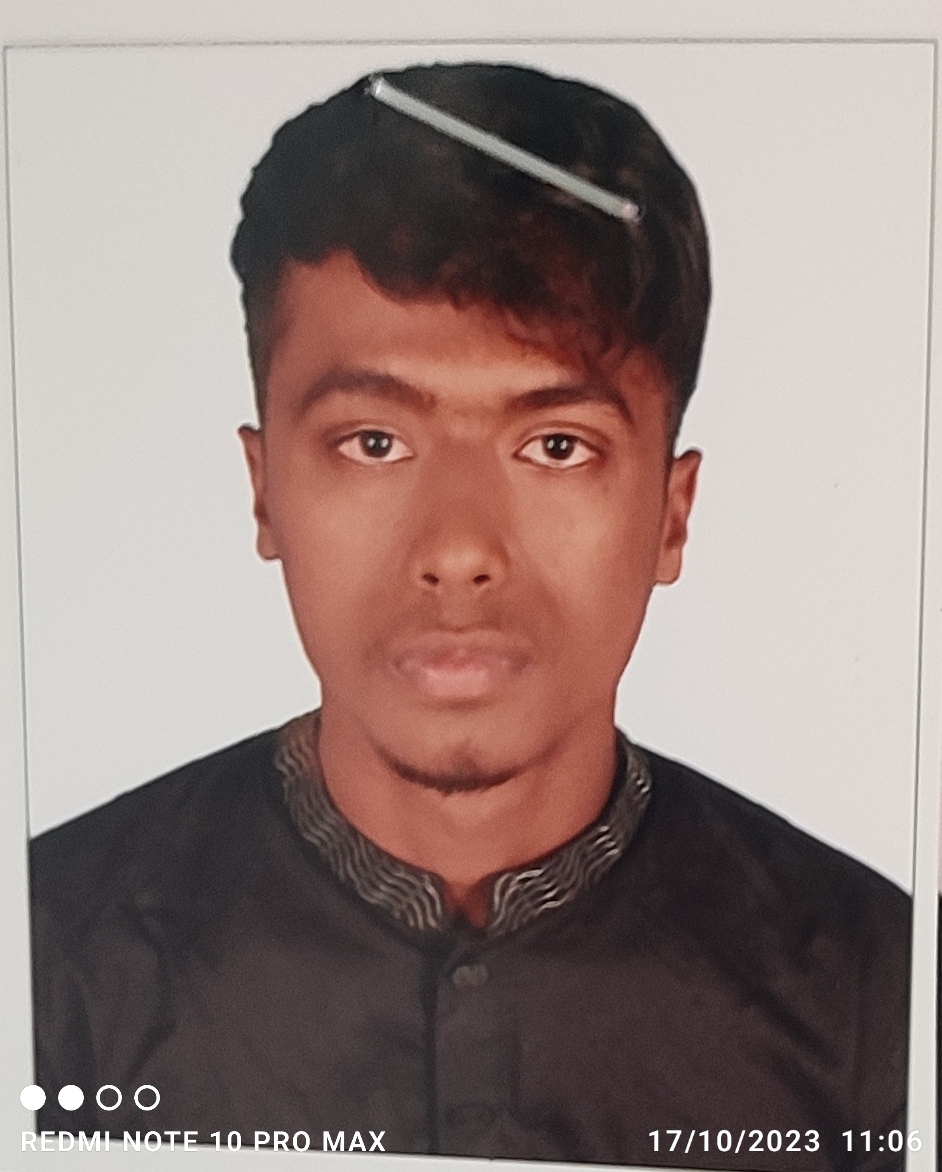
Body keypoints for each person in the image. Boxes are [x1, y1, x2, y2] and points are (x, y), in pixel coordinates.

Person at [29, 61, 910, 1169]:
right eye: (374, 442)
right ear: (264, 492)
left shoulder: (876, 1001)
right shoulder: (46, 962)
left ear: (671, 515)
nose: (457, 551)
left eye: (556, 446)